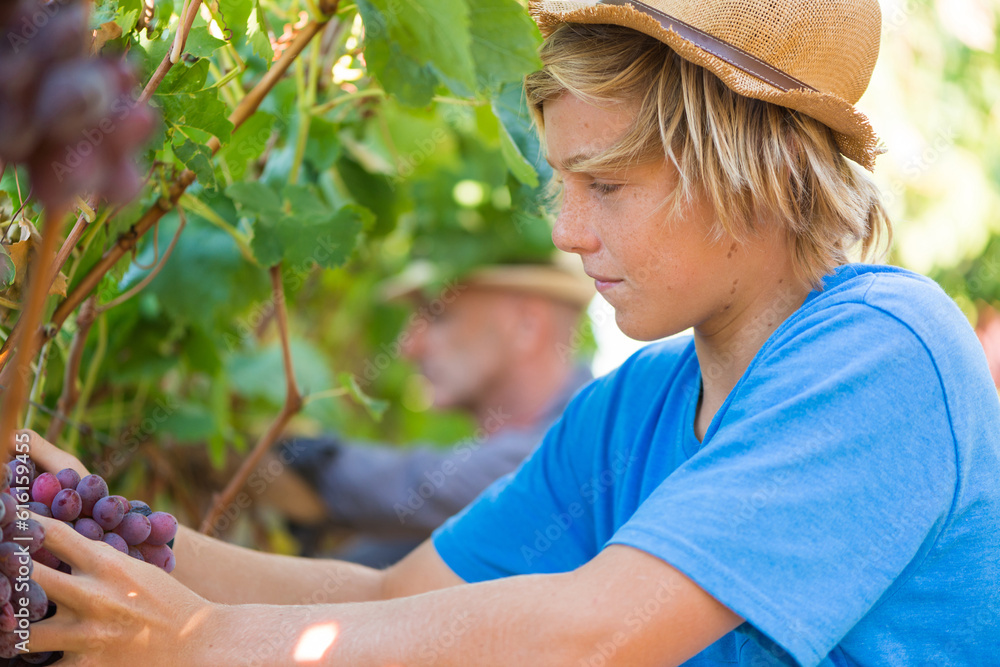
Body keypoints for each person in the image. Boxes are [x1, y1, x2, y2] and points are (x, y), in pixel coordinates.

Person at [18, 0, 1000, 664]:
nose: (568, 232)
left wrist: (200, 639)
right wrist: (62, 504)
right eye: (562, 184)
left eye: (606, 187)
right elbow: (385, 599)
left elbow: (599, 633)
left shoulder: (887, 350)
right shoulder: (625, 413)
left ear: (761, 176)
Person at [271, 260, 594, 567]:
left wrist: (308, 457)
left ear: (527, 325)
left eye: (438, 315)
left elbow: (436, 487)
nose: (407, 346)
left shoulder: (589, 445)